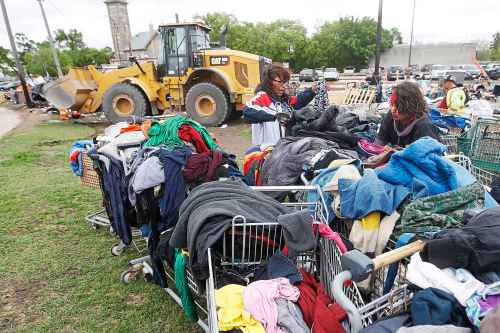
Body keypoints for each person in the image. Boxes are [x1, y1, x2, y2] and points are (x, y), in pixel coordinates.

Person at [243, 65, 317, 146]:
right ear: (268, 82)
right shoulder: (262, 97)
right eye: (279, 82)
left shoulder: (284, 100)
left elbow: (298, 101)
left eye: (284, 82)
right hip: (266, 152)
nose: (283, 86)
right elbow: (247, 113)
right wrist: (274, 117)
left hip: (283, 149)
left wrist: (311, 91)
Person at [376, 81, 440, 148]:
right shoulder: (390, 117)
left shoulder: (425, 127)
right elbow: (378, 145)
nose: (393, 110)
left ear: (411, 106)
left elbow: (426, 156)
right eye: (392, 105)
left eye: (398, 106)